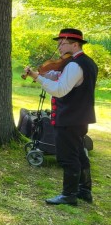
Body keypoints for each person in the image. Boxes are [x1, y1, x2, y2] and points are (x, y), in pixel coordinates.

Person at [24, 28, 98, 205]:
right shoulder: (86, 63)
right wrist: (41, 73)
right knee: (79, 153)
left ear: (75, 44)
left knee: (68, 157)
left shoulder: (74, 65)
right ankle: (84, 191)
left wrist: (37, 78)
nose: (58, 46)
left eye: (62, 43)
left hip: (69, 118)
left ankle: (69, 195)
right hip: (80, 117)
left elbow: (59, 90)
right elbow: (60, 77)